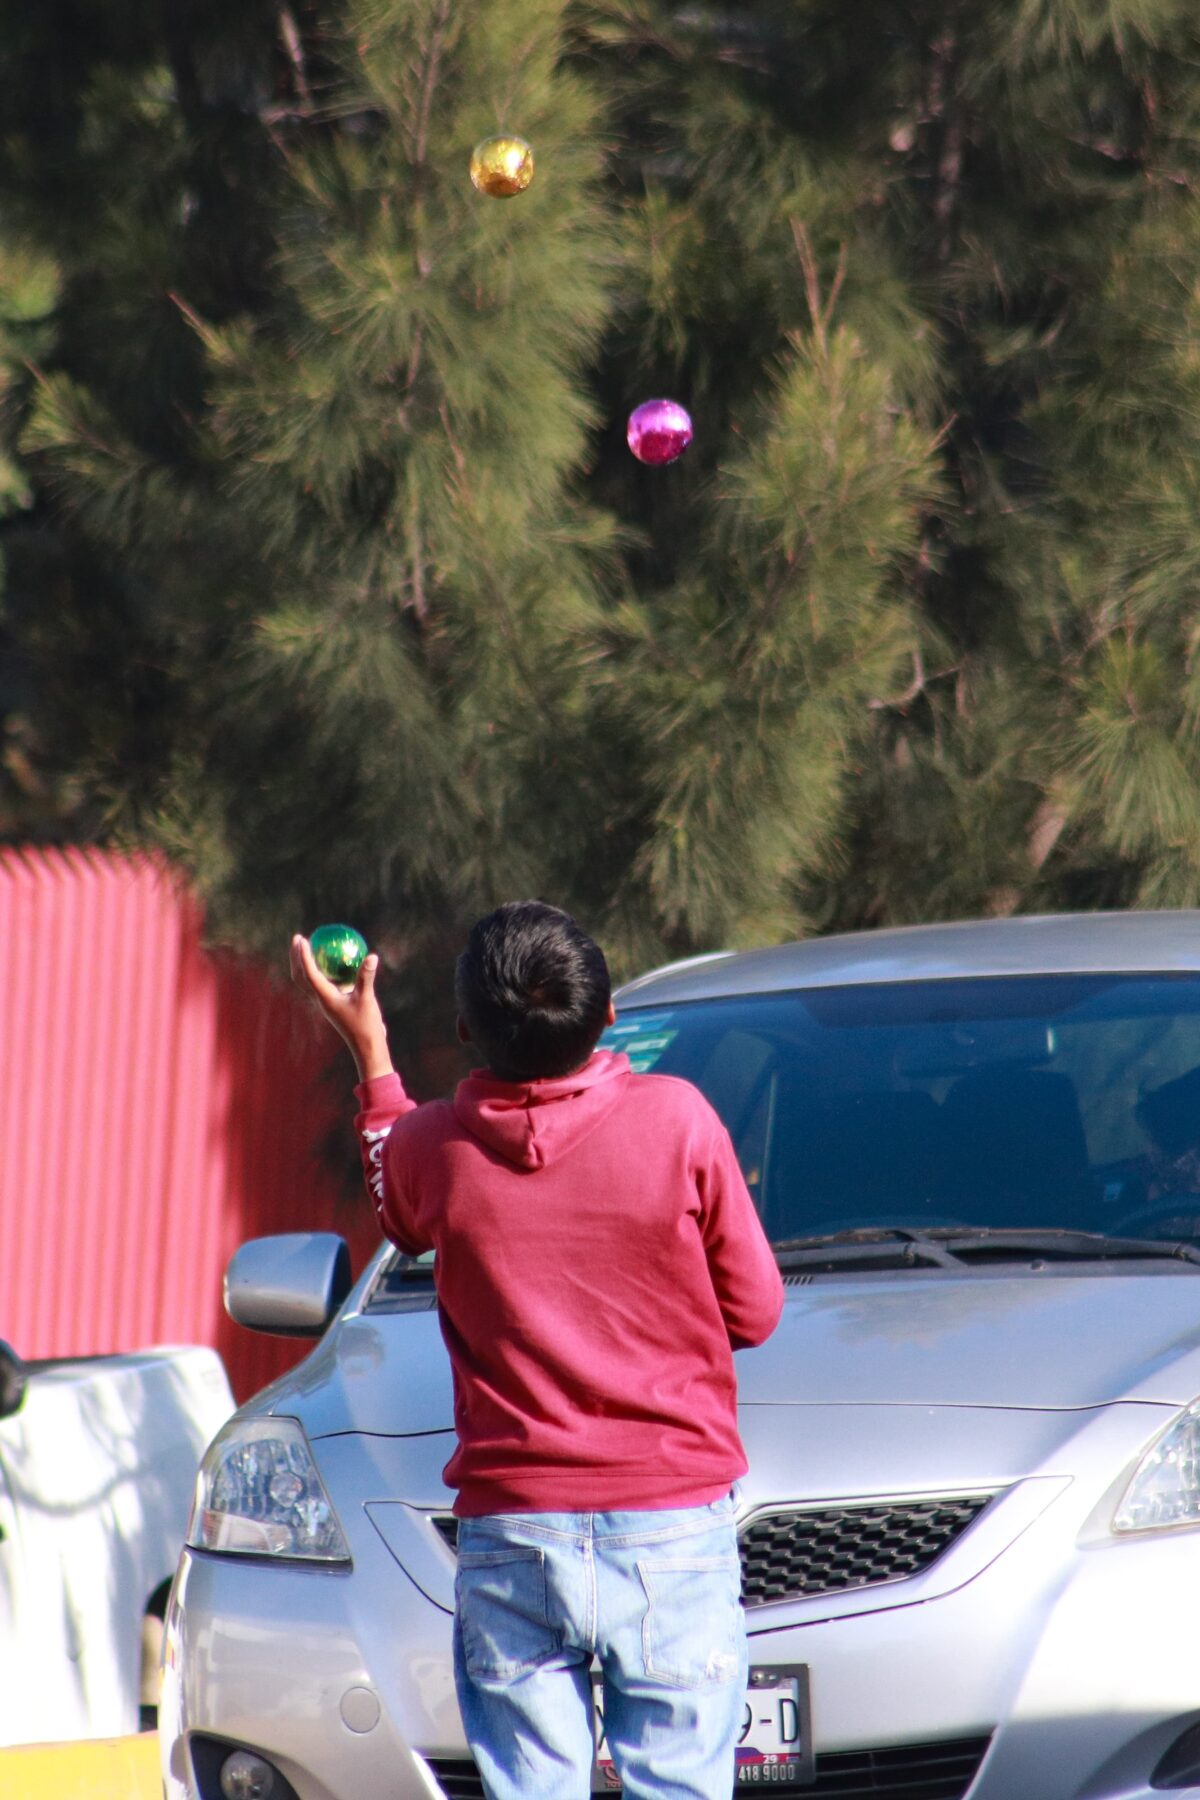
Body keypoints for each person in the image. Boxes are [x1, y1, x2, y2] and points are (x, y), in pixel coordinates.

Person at [292, 900, 784, 1800]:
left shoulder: (435, 1147)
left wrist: (370, 1051)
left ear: (466, 1030)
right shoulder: (679, 1121)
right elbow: (754, 1312)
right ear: (605, 1018)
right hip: (671, 1525)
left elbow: (393, 1199)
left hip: (511, 1529)